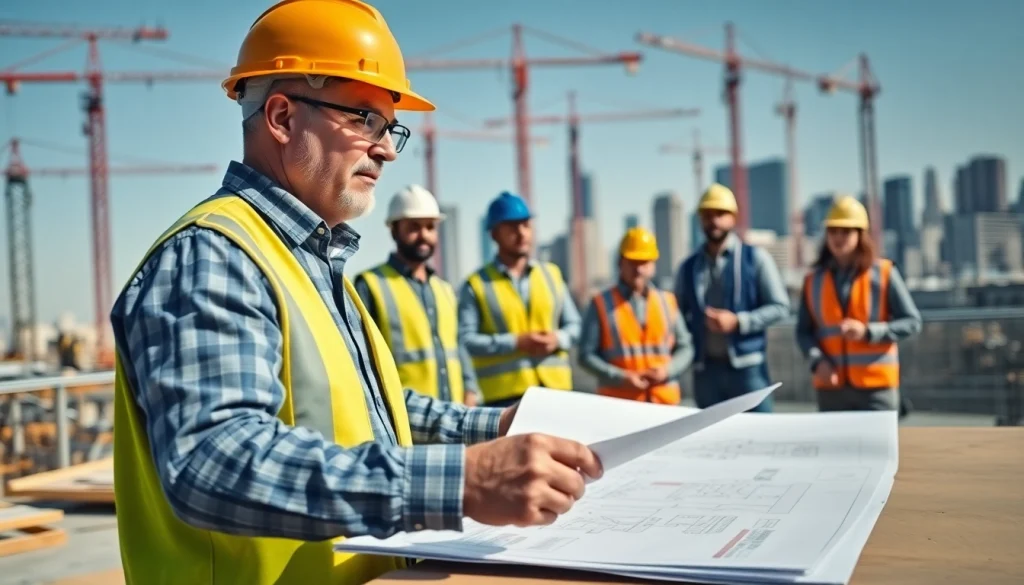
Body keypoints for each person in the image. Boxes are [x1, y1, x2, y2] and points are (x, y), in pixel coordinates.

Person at [109, 3, 602, 584]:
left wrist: (493, 429)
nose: (388, 149)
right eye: (363, 119)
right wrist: (463, 482)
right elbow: (216, 461)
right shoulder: (213, 255)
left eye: (389, 127)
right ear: (283, 117)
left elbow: (365, 414)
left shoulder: (310, 259)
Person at [354, 185, 481, 406]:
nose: (424, 235)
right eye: (414, 227)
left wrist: (470, 389)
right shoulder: (371, 285)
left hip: (452, 414)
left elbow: (458, 346)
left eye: (430, 227)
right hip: (403, 414)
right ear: (394, 231)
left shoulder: (445, 289)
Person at [796, 195, 922, 411]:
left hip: (876, 389)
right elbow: (803, 332)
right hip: (831, 389)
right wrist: (818, 361)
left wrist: (868, 332)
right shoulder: (812, 281)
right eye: (833, 231)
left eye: (846, 231)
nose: (838, 238)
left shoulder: (884, 273)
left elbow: (912, 322)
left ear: (860, 235)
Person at [458, 191, 581, 407]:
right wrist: (517, 342)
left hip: (557, 392)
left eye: (525, 225)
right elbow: (466, 341)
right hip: (503, 399)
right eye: (512, 227)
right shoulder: (476, 284)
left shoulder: (552, 275)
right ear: (494, 234)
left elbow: (575, 325)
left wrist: (558, 339)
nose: (521, 233)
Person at [675, 183, 790, 412]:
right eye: (708, 215)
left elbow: (780, 307)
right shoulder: (687, 268)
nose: (714, 220)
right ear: (699, 219)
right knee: (711, 441)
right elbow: (676, 315)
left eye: (720, 214)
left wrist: (739, 322)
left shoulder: (756, 258)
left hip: (748, 370)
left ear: (733, 218)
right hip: (705, 372)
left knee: (761, 434)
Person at [578, 227, 694, 404]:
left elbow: (686, 346)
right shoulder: (600, 303)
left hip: (664, 402)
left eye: (645, 262)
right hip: (621, 403)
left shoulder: (668, 301)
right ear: (620, 263)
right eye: (632, 262)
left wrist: (667, 370)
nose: (639, 269)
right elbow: (585, 355)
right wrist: (622, 377)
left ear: (653, 265)